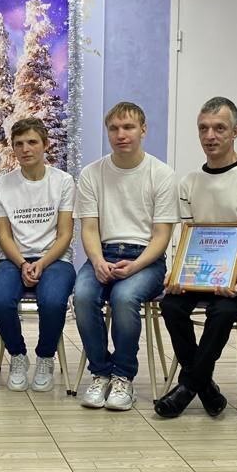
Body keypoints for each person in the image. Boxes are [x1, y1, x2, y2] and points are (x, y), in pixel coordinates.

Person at [155, 97, 237, 419]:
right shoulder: (190, 182)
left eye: (219, 128)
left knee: (222, 312)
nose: (210, 136)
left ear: (236, 131)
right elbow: (184, 236)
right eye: (203, 128)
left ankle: (187, 387)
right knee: (171, 305)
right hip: (199, 269)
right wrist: (175, 272)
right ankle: (204, 387)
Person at [74, 102, 178, 410]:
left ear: (143, 130)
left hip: (146, 258)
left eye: (129, 127)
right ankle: (100, 372)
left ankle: (123, 376)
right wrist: (97, 261)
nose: (121, 134)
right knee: (82, 295)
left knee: (124, 297)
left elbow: (161, 236)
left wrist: (135, 266)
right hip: (103, 253)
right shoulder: (92, 173)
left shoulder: (162, 174)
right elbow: (89, 228)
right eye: (114, 128)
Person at [0, 117, 77, 393]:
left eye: (32, 142)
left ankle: (45, 357)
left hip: (55, 259)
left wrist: (41, 263)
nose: (25, 149)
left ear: (45, 144)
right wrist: (22, 263)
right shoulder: (2, 184)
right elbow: (4, 235)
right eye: (19, 144)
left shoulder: (63, 181)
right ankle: (17, 355)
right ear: (13, 148)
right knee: (0, 299)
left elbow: (65, 234)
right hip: (13, 259)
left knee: (53, 301)